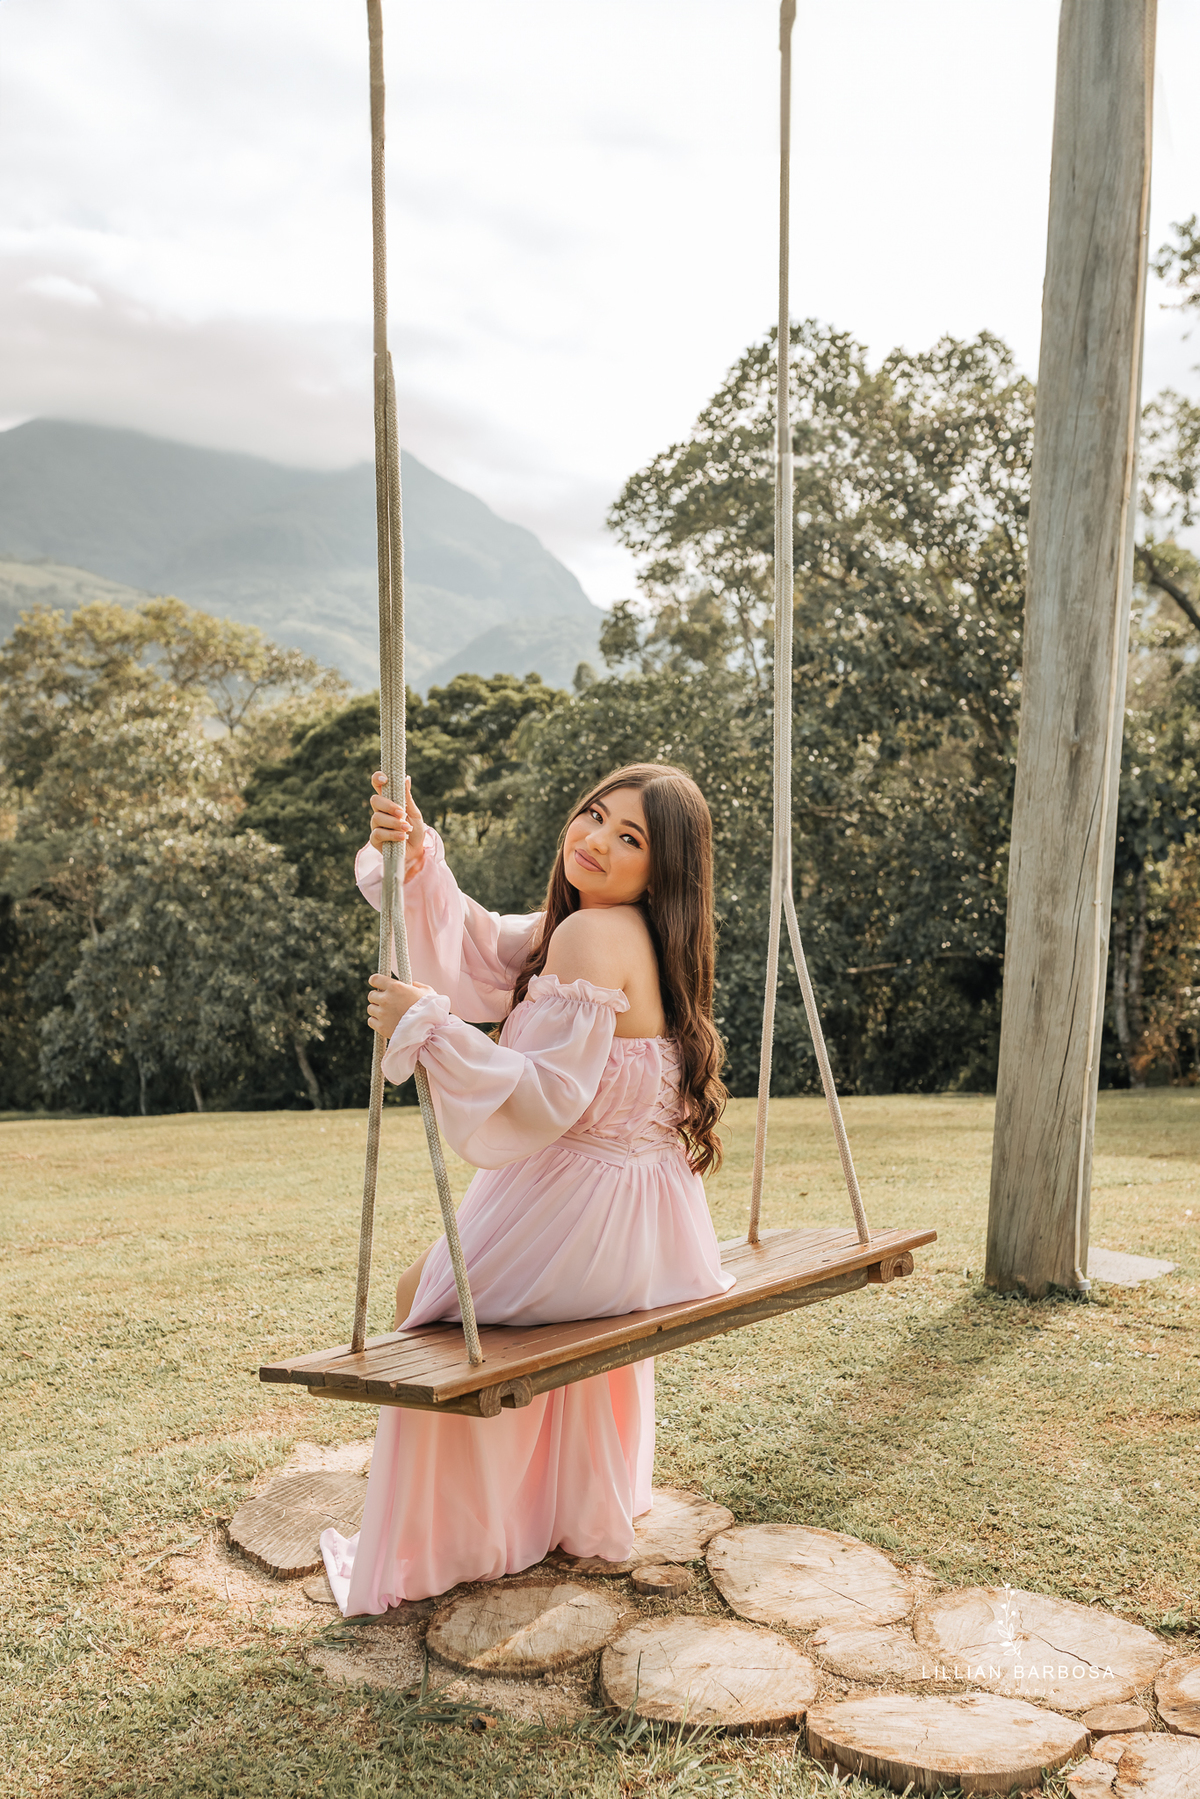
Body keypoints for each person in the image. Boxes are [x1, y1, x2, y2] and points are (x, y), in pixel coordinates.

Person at [319, 762, 733, 1615]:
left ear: (663, 870)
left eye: (631, 839)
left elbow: (542, 1093)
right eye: (593, 815)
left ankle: (453, 1534)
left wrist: (425, 1026)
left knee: (426, 1301)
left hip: (594, 1211)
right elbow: (479, 944)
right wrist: (419, 852)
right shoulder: (607, 931)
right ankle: (548, 1507)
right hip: (652, 1225)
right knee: (443, 1293)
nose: (596, 841)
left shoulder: (592, 937)